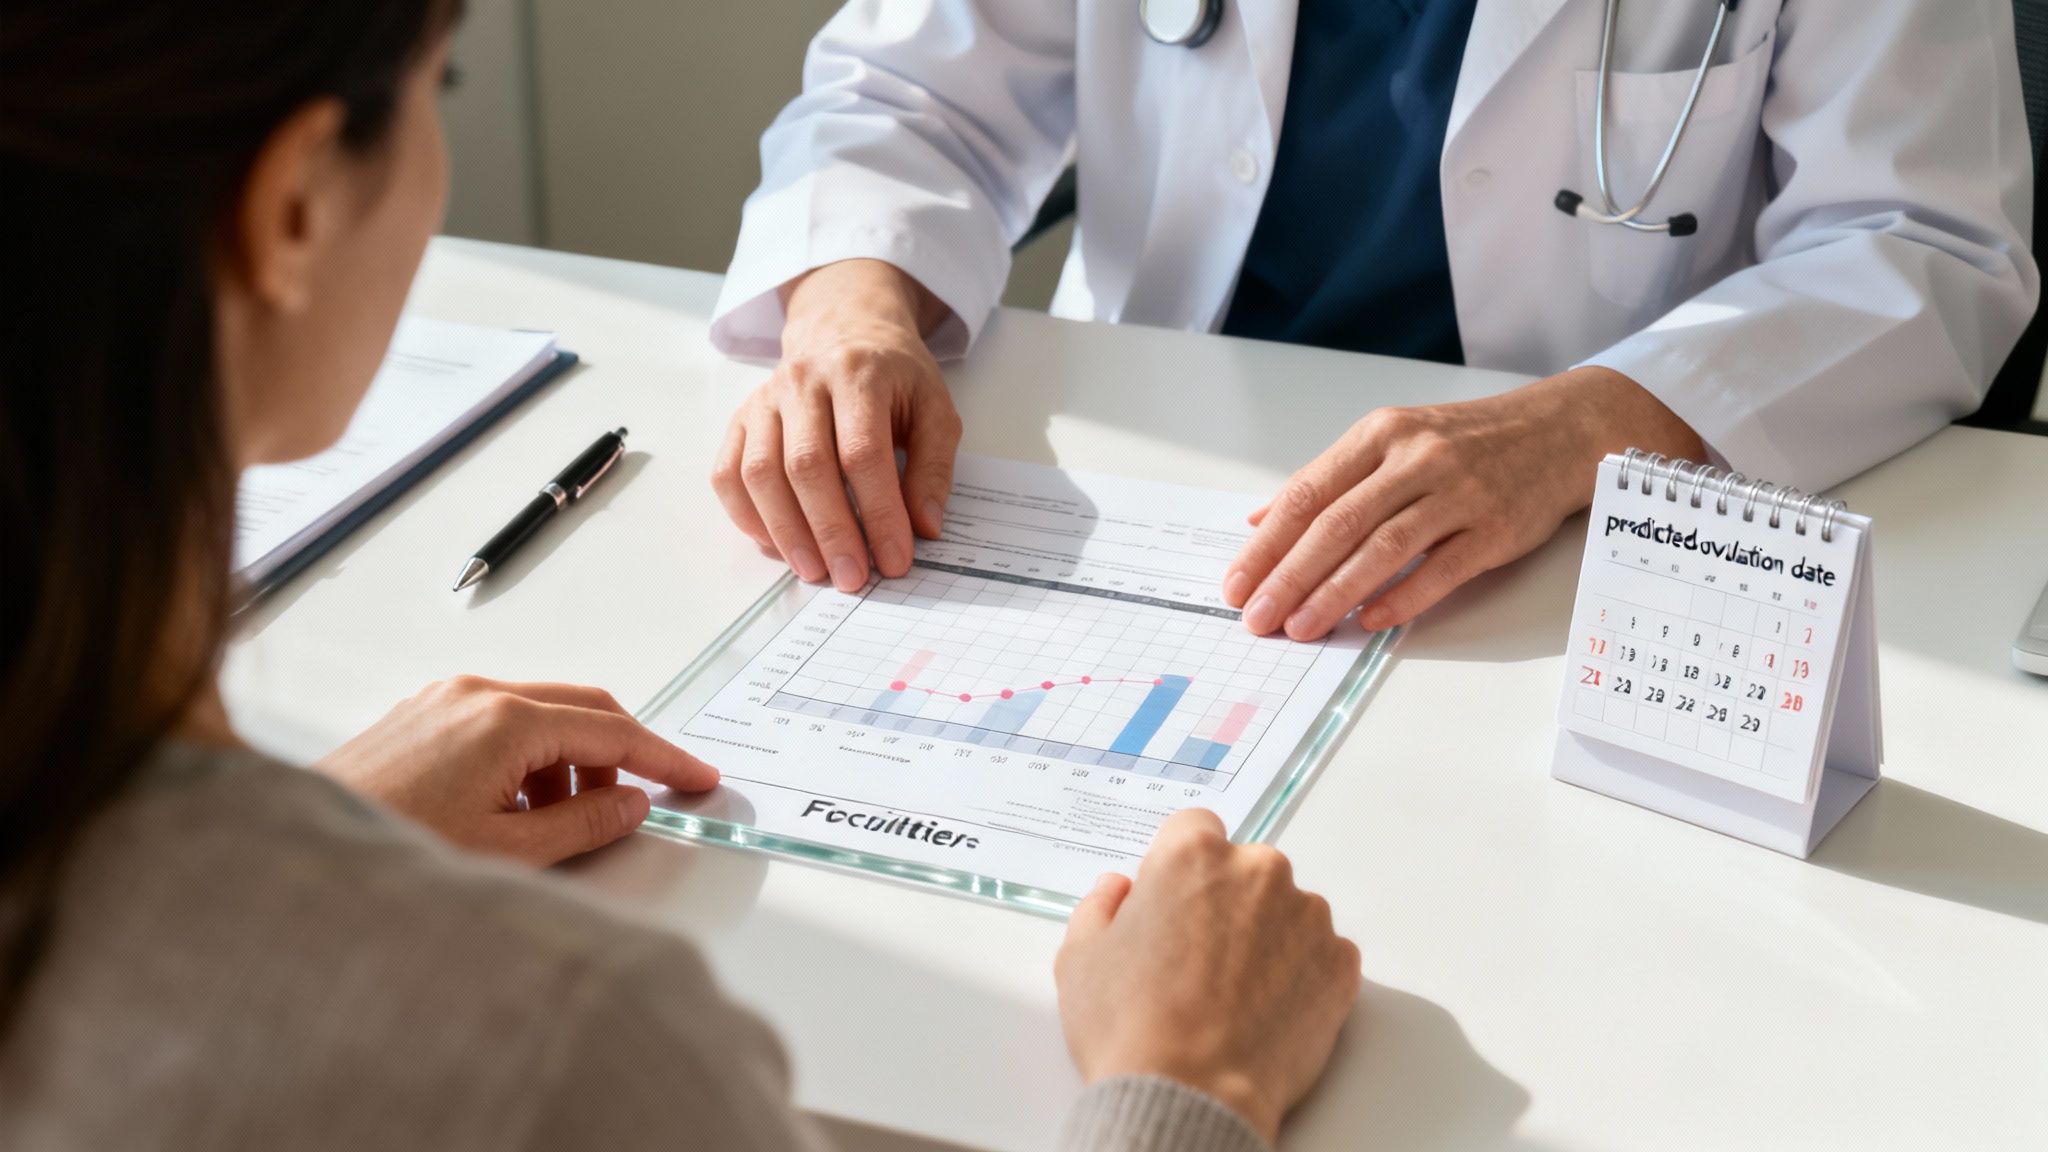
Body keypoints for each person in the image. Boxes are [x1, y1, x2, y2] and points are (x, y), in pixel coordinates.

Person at [0, 3, 1361, 1149]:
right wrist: (1189, 1089)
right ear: (291, 209)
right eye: (436, 86)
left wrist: (296, 844)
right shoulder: (574, 1046)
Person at [708, 0, 2037, 642]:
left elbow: (1921, 245)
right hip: (1148, 507)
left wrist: (1578, 428)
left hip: (1581, 548)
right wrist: (854, 306)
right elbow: (905, 96)